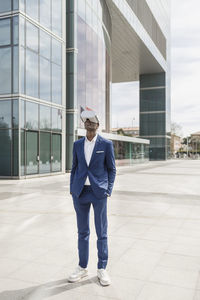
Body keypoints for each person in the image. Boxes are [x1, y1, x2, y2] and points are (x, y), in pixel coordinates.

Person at [68, 110, 116, 286]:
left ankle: (102, 268)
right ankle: (82, 267)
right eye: (86, 121)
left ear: (97, 125)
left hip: (99, 193)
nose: (88, 123)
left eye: (92, 120)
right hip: (80, 192)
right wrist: (72, 188)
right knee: (83, 232)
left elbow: (112, 169)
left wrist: (108, 190)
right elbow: (74, 167)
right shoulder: (77, 144)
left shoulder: (106, 144)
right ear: (84, 125)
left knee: (101, 232)